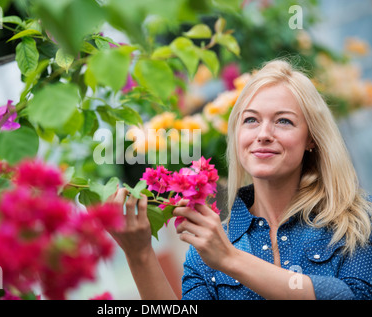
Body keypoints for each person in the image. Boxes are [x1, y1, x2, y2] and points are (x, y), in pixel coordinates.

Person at [107, 59, 372, 300]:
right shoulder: (205, 252)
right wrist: (139, 254)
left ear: (311, 138)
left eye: (283, 121)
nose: (263, 134)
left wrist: (229, 258)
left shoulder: (357, 221)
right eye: (251, 120)